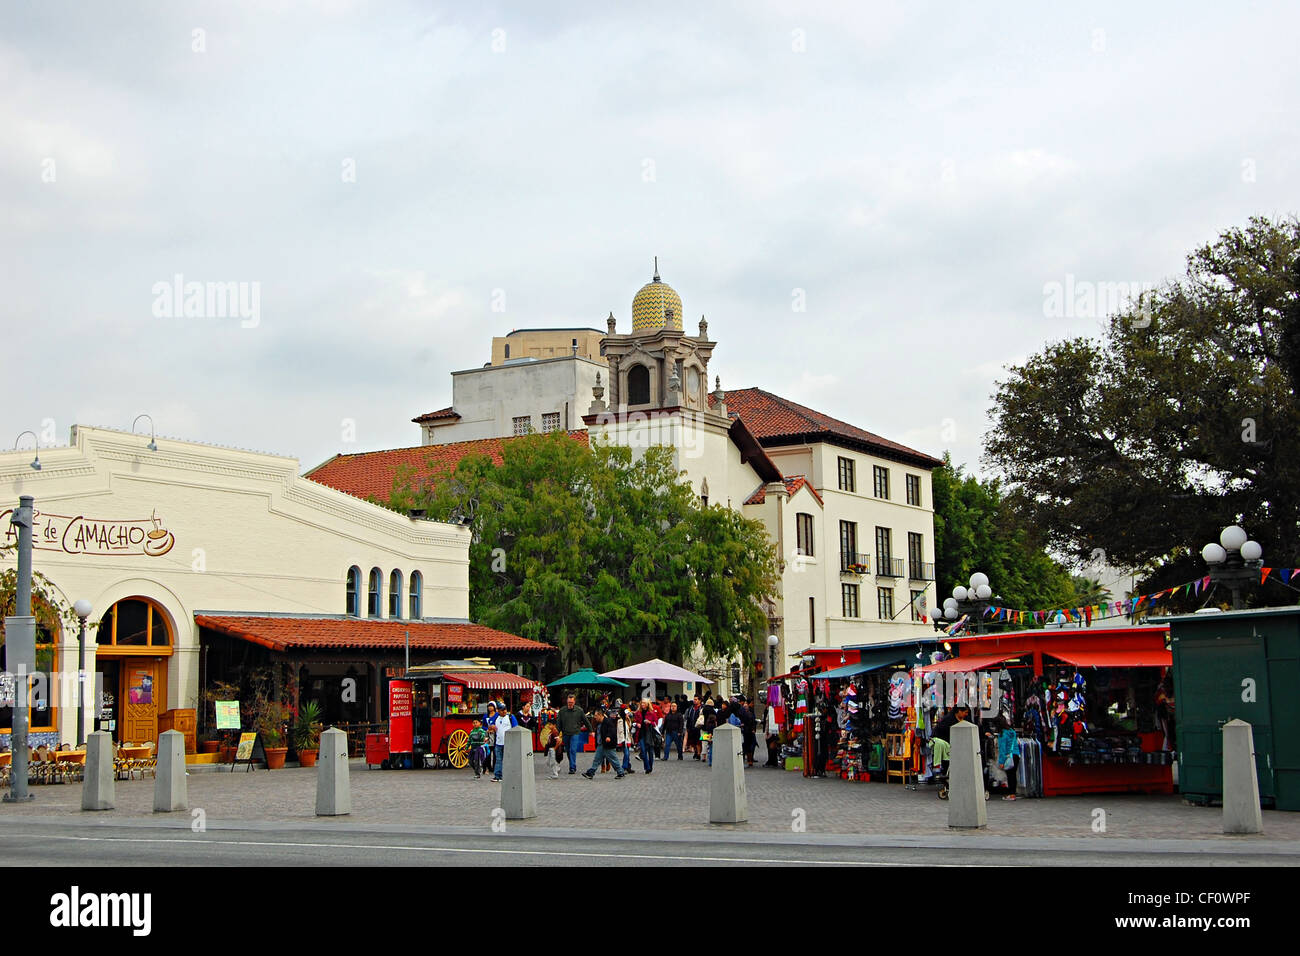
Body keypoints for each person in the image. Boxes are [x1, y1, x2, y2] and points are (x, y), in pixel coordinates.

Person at [583, 705, 626, 779]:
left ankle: (620, 772)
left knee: (613, 759)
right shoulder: (599, 723)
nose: (595, 717)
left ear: (600, 715)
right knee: (597, 759)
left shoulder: (608, 721)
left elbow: (612, 730)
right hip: (601, 744)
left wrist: (608, 737)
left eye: (596, 715)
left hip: (608, 745)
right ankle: (591, 772)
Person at [556, 694, 592, 775]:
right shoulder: (562, 711)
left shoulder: (579, 710)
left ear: (574, 702)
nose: (570, 704)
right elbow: (558, 723)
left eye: (571, 702)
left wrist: (591, 730)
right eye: (569, 702)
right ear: (567, 701)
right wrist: (557, 734)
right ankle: (572, 764)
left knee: (573, 750)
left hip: (575, 733)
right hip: (565, 733)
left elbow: (586, 721)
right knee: (568, 751)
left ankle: (572, 767)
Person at [491, 704, 518, 782]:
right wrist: (491, 727)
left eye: (505, 709)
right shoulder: (496, 717)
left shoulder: (510, 717)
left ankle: (509, 775)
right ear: (498, 711)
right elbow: (489, 725)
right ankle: (498, 776)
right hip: (498, 743)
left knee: (508, 759)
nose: (504, 711)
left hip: (508, 742)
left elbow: (515, 727)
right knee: (498, 760)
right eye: (502, 710)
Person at [996, 713, 1019, 800]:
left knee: (1010, 775)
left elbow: (1002, 749)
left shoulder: (1002, 734)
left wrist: (1001, 762)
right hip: (1016, 754)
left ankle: (1011, 794)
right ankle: (1013, 793)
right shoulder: (1012, 731)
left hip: (1009, 756)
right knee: (1013, 775)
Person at [636, 699, 657, 773]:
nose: (642, 705)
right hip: (641, 733)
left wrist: (649, 722)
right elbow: (635, 721)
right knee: (643, 751)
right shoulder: (638, 712)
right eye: (642, 703)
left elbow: (655, 724)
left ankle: (650, 766)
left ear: (648, 704)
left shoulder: (652, 713)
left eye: (644, 703)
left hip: (649, 734)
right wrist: (637, 724)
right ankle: (647, 767)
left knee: (650, 752)